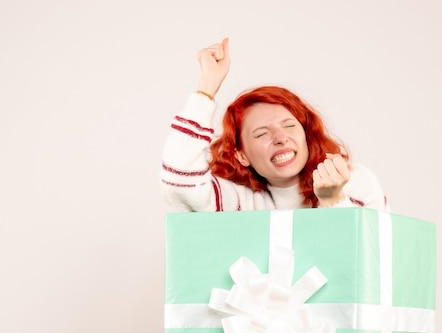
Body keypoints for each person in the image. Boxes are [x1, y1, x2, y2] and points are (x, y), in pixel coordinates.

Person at [161, 38, 389, 212]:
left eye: (289, 125)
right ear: (242, 156)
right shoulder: (242, 202)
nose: (280, 138)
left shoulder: (354, 182)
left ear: (306, 135)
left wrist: (333, 200)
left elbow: (372, 259)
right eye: (261, 133)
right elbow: (179, 183)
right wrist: (207, 86)